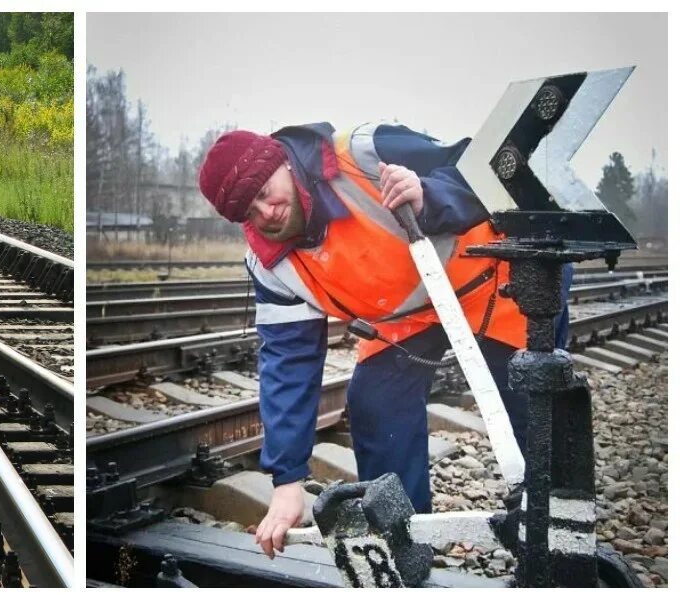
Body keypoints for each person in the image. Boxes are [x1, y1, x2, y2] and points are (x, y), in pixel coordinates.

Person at [196, 122, 572, 559]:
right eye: (249, 212)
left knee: (531, 398)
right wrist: (286, 481)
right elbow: (288, 364)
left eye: (265, 192)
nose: (266, 213)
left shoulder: (365, 152)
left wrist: (430, 194)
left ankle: (560, 538)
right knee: (375, 404)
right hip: (408, 319)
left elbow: (486, 166)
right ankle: (405, 547)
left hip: (496, 281)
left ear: (282, 161)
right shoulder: (271, 265)